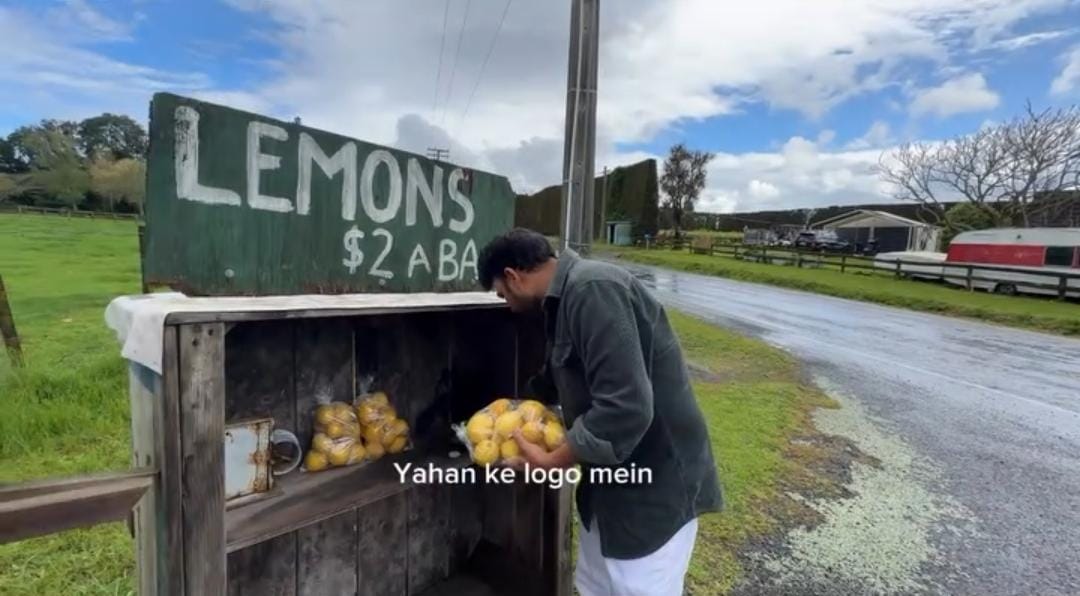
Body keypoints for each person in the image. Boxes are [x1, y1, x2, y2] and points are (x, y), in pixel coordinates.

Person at [477, 228, 723, 596]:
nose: (508, 305)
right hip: (607, 492)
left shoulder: (593, 289)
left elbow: (626, 406)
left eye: (502, 294)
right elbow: (556, 376)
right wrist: (499, 416)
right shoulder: (561, 302)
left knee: (635, 588)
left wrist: (555, 460)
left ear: (513, 276)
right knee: (596, 586)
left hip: (652, 492)